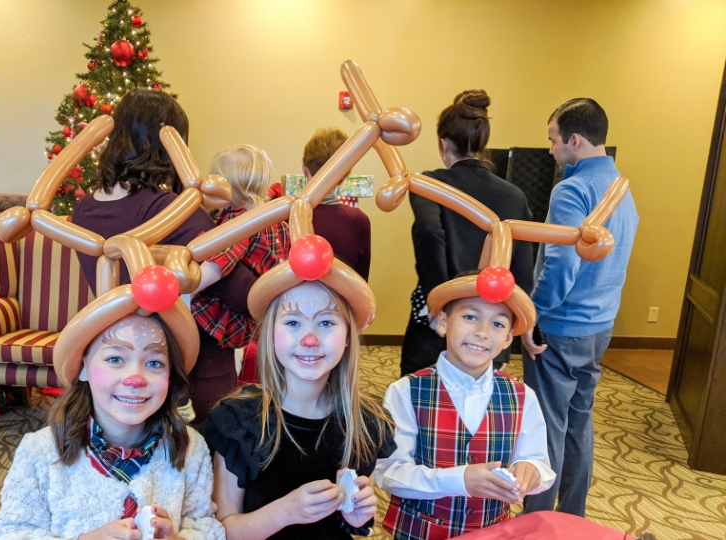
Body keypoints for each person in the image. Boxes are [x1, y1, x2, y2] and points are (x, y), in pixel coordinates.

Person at [71, 89, 258, 422]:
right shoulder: (170, 209)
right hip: (195, 369)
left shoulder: (84, 208)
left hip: (119, 360)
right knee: (207, 461)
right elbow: (244, 293)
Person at [202, 233, 395, 539]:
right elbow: (223, 530)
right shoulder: (238, 423)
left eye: (326, 323)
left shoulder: (364, 422)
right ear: (271, 333)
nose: (309, 339)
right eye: (293, 322)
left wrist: (358, 517)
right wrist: (285, 512)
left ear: (347, 336)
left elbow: (355, 522)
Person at [0, 313, 224, 539]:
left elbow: (203, 524)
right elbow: (8, 532)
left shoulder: (190, 449)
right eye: (115, 359)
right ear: (83, 367)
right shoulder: (39, 452)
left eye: (154, 363)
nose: (135, 378)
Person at [521, 98, 638, 517]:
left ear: (574, 140)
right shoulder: (621, 187)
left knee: (546, 425)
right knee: (578, 422)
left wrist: (532, 314)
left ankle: (537, 518)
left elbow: (561, 264)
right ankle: (572, 516)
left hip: (562, 326)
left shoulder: (572, 189)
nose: (551, 150)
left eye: (553, 140)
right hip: (599, 326)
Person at [377, 269, 555, 539]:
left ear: (508, 339)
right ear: (441, 322)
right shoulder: (405, 392)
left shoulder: (522, 396)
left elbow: (539, 463)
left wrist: (532, 471)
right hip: (419, 533)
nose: (483, 332)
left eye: (498, 324)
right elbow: (389, 472)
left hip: (491, 532)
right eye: (470, 317)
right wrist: (460, 480)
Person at [401, 90, 533, 377]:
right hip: (490, 321)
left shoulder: (430, 184)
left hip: (435, 319)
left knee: (417, 399)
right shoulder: (514, 195)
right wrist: (512, 329)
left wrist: (441, 305)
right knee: (480, 406)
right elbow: (523, 271)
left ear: (444, 144)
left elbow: (429, 234)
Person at [193, 144, 290, 385]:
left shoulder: (239, 221)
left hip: (225, 318)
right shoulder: (278, 220)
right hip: (258, 314)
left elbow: (219, 262)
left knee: (178, 320)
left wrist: (186, 288)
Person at [302, 128, 372, 280]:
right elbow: (362, 281)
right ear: (346, 173)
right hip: (342, 302)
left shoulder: (283, 215)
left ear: (304, 167)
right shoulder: (359, 221)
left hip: (290, 304)